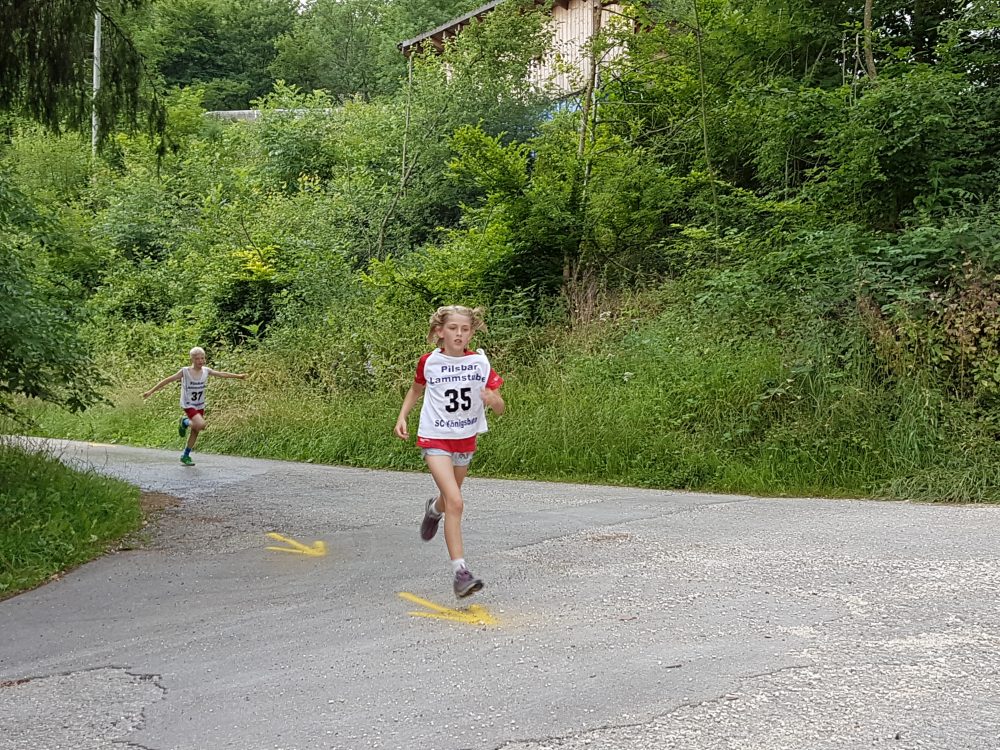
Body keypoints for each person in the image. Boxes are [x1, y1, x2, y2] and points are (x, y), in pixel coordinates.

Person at [394, 305, 505, 598]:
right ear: (440, 331)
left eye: (465, 329)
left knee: (448, 499)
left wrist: (493, 400)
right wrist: (402, 416)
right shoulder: (429, 362)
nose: (459, 334)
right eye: (453, 328)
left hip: (465, 439)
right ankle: (461, 573)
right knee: (456, 502)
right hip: (435, 437)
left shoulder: (480, 364)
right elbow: (416, 389)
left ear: (472, 332)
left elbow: (500, 407)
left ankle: (433, 509)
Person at [142, 347, 247, 466]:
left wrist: (238, 376)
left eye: (202, 358)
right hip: (188, 404)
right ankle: (184, 421)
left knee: (195, 431)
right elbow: (168, 380)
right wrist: (150, 391)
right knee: (201, 424)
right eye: (197, 359)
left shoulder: (206, 370)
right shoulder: (185, 371)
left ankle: (185, 455)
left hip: (199, 404)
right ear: (192, 359)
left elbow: (222, 374)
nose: (200, 361)